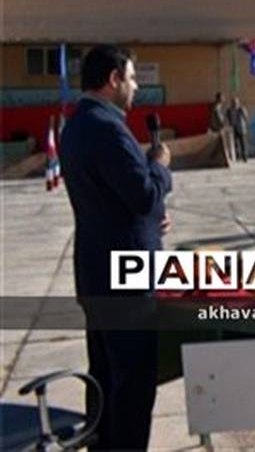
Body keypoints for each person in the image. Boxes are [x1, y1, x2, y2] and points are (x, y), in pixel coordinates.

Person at [59, 46, 173, 450]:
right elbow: (142, 194)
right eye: (132, 77)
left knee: (104, 378)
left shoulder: (76, 125)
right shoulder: (108, 127)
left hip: (95, 272)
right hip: (125, 281)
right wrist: (159, 164)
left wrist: (148, 221)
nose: (136, 86)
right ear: (113, 80)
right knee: (133, 385)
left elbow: (112, 201)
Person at [227, 96, 249, 162]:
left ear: (238, 102)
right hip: (233, 128)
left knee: (243, 143)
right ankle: (237, 156)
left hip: (241, 128)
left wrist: (244, 123)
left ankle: (244, 157)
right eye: (233, 102)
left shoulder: (241, 109)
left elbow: (246, 117)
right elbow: (229, 119)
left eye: (236, 102)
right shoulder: (229, 110)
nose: (234, 103)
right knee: (235, 143)